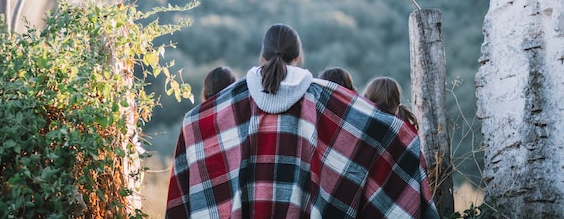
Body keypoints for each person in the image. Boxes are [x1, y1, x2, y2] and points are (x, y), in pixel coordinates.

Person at [166, 23, 438, 218]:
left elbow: (194, 126)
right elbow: (377, 129)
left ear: (263, 57)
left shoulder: (228, 104)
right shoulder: (322, 98)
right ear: (298, 58)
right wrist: (404, 138)